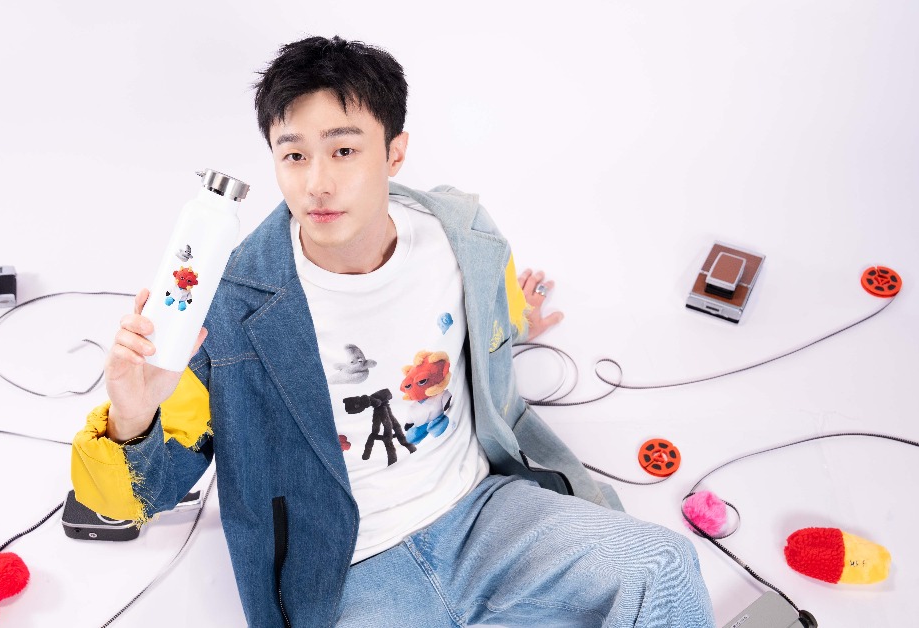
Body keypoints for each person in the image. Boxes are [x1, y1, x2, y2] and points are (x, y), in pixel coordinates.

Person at [71, 35, 715, 627]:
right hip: (345, 569)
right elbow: (139, 497)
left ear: (395, 151)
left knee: (664, 565)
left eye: (344, 150)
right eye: (293, 155)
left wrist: (518, 316)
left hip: (484, 515)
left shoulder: (461, 237)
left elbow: (488, 303)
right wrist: (132, 415)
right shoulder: (229, 307)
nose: (317, 182)